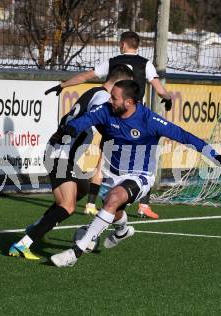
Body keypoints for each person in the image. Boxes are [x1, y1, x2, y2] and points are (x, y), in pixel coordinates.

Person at [50, 80, 221, 267]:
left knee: (113, 199)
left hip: (141, 175)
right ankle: (122, 230)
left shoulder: (149, 120)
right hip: (113, 173)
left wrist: (214, 155)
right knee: (113, 208)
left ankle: (75, 252)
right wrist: (69, 129)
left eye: (114, 97)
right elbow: (85, 120)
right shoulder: (107, 110)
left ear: (129, 102)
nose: (109, 100)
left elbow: (184, 136)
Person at [8, 65, 134, 260]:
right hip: (60, 155)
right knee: (67, 206)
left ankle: (38, 226)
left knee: (81, 189)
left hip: (63, 155)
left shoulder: (94, 93)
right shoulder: (103, 98)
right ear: (117, 86)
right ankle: (23, 244)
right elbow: (103, 122)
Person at [46, 31, 168, 219]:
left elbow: (85, 77)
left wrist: (63, 85)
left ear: (122, 44)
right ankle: (141, 205)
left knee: (103, 162)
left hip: (113, 120)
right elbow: (159, 89)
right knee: (143, 163)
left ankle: (91, 204)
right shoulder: (146, 64)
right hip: (134, 122)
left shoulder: (112, 63)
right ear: (137, 45)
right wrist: (167, 98)